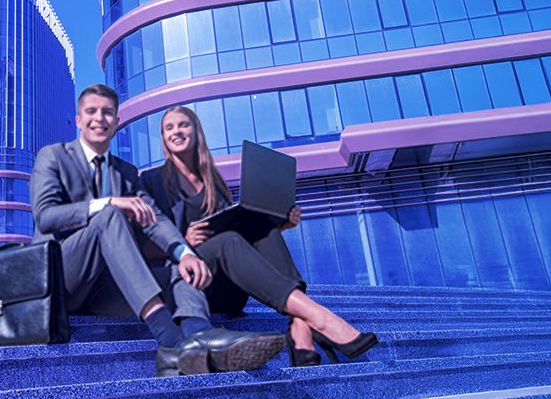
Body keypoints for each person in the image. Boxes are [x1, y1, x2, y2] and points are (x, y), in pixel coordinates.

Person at [31, 85, 284, 377]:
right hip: (62, 281)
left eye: (107, 113)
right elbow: (46, 217)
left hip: (107, 290)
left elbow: (156, 221)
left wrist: (186, 253)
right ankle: (170, 340)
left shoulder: (126, 171)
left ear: (116, 121)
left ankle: (198, 334)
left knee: (179, 268)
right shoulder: (52, 156)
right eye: (91, 111)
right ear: (78, 119)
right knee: (109, 216)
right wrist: (107, 203)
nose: (99, 118)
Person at [138, 105, 379, 366]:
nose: (177, 131)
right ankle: (317, 318)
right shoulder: (151, 181)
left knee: (260, 223)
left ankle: (299, 322)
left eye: (183, 124)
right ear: (163, 138)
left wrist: (281, 224)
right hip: (185, 289)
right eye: (169, 128)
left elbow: (240, 240)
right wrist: (182, 242)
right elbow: (141, 248)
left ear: (196, 131)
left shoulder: (214, 184)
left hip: (225, 287)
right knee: (227, 241)